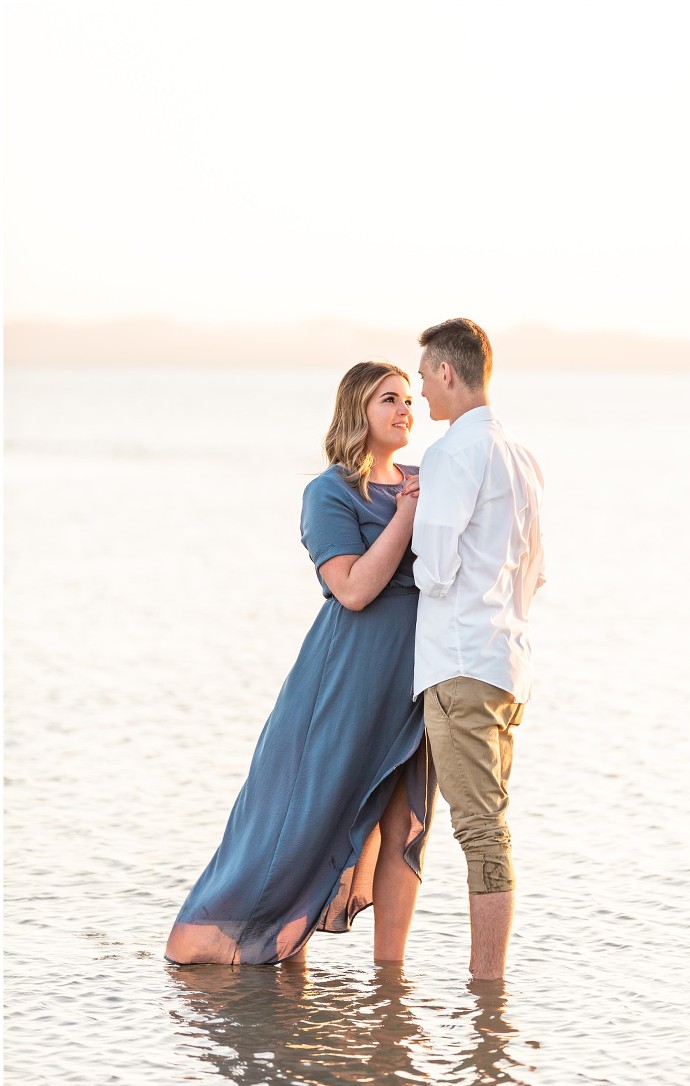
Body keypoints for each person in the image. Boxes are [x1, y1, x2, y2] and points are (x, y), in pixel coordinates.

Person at [166, 361, 436, 967]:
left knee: (405, 824)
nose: (404, 410)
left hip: (418, 676)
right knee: (308, 814)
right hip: (347, 678)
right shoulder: (331, 491)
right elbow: (354, 590)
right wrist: (406, 519)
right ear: (356, 411)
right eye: (388, 399)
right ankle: (249, 944)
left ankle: (391, 981)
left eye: (409, 399)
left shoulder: (425, 478)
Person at [411, 318, 545, 981]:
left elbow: (432, 571)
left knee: (480, 828)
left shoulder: (450, 456)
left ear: (447, 372)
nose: (418, 390)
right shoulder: (521, 458)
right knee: (487, 821)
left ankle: (487, 990)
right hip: (506, 665)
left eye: (423, 375)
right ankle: (485, 989)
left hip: (458, 660)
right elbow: (536, 574)